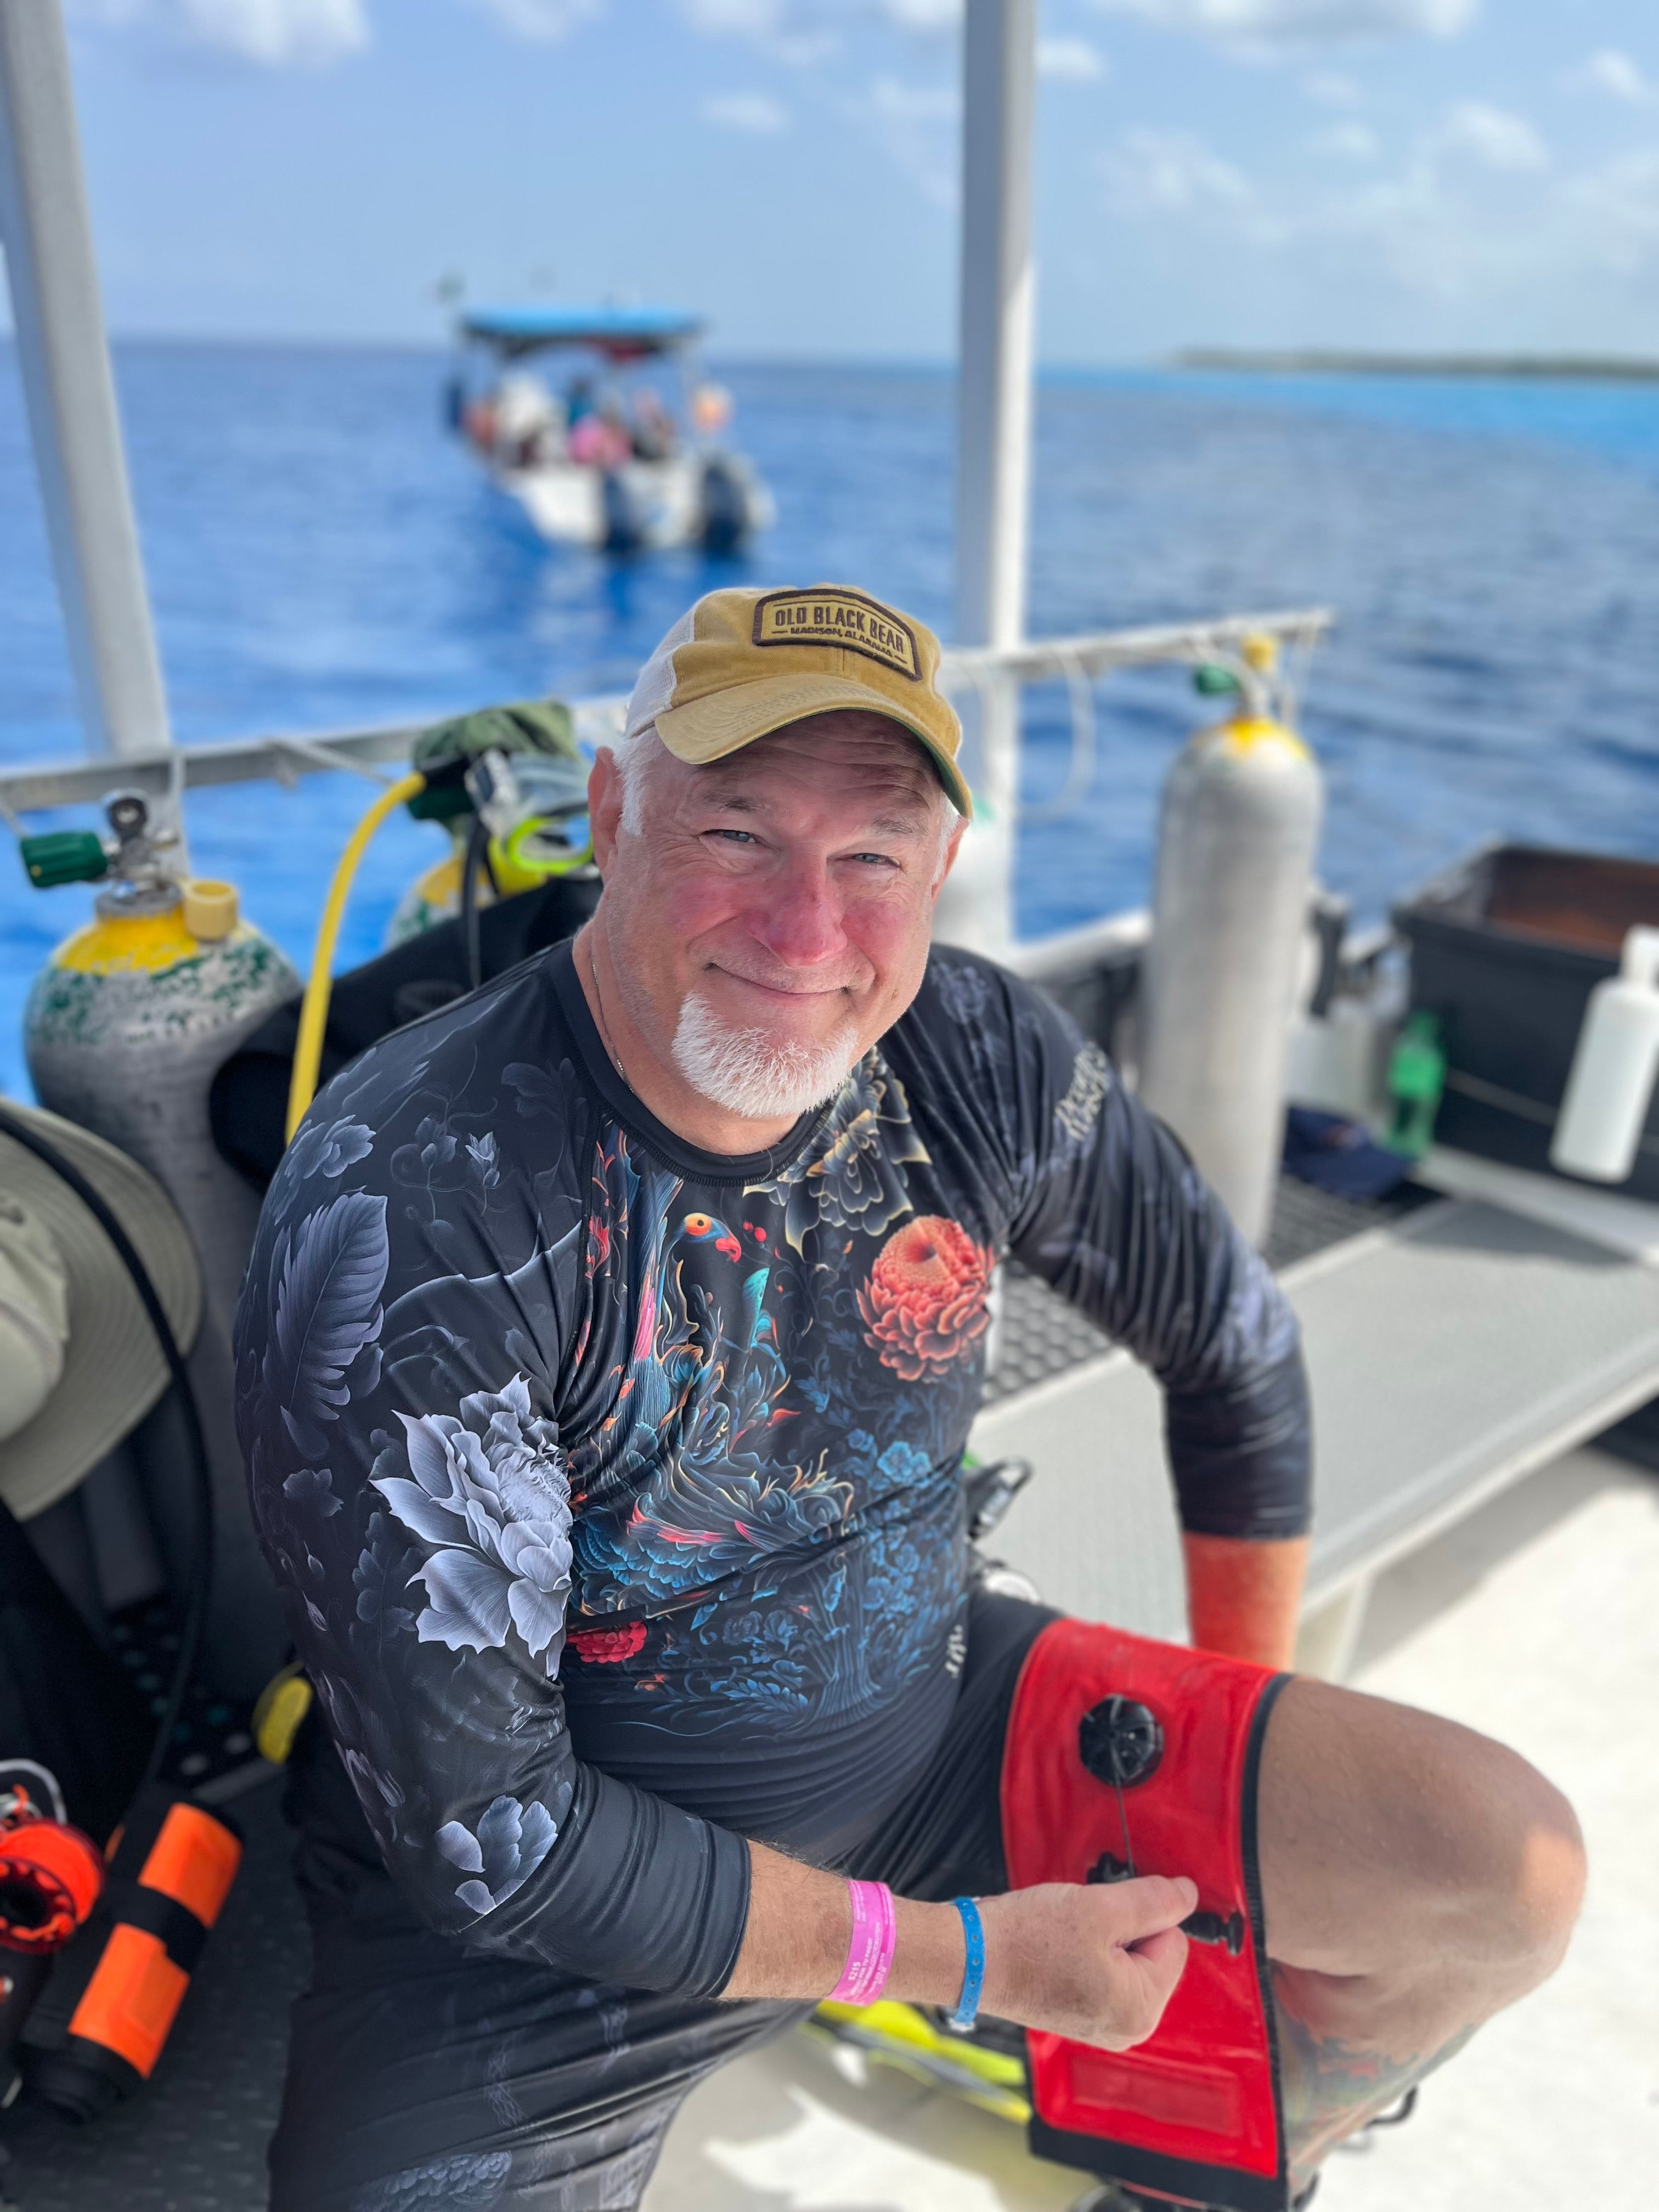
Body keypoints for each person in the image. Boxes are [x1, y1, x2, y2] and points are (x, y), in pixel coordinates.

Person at [234, 585, 1585, 2212]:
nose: (809, 930)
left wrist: (1202, 1825)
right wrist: (957, 1959)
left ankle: (1178, 2163)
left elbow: (1233, 1348)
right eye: (735, 831)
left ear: (940, 871)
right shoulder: (422, 1206)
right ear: (609, 815)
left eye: (873, 855)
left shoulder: (972, 1046)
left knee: (1500, 1873)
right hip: (559, 1942)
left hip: (950, 1740)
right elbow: (494, 1842)